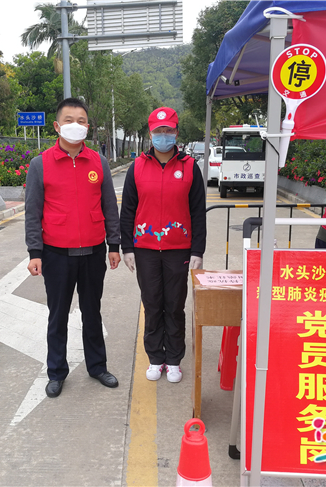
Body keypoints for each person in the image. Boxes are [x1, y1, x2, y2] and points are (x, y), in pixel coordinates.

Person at [25, 97, 121, 398]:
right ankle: (56, 372)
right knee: (58, 316)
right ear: (57, 126)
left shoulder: (98, 162)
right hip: (56, 254)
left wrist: (114, 244)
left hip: (93, 252)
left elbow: (109, 205)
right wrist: (35, 253)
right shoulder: (40, 165)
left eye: (81, 121)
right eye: (69, 120)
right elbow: (32, 212)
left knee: (93, 313)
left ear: (88, 126)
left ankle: (97, 367)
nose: (75, 126)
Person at [120, 107, 207, 383]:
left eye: (168, 130)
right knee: (152, 303)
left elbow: (197, 211)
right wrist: (127, 247)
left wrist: (197, 250)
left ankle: (174, 359)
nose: (164, 135)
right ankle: (156, 357)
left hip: (178, 249)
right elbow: (128, 210)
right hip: (145, 248)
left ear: (176, 132)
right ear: (150, 134)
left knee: (175, 305)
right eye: (159, 131)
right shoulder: (137, 167)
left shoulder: (189, 167)